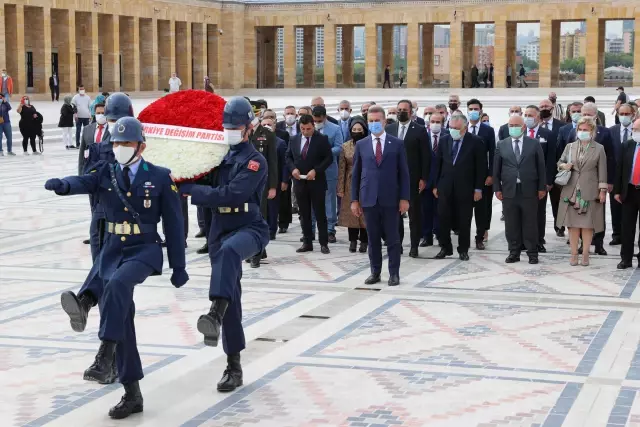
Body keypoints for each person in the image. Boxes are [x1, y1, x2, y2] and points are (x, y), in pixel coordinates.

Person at [45, 116, 188, 419]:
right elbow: (82, 181)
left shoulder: (160, 177)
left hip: (145, 249)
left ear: (141, 145)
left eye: (127, 142)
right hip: (113, 247)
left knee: (118, 285)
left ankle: (104, 352)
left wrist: (178, 266)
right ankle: (132, 394)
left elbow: (175, 226)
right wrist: (63, 185)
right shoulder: (105, 172)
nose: (120, 147)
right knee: (121, 311)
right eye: (117, 142)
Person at [179, 98, 268, 394]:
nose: (230, 131)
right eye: (226, 126)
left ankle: (214, 312)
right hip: (219, 229)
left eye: (236, 127)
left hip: (249, 227)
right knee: (233, 297)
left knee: (231, 252)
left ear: (249, 129)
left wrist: (191, 191)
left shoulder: (255, 160)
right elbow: (193, 173)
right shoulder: (217, 157)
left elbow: (231, 194)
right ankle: (234, 365)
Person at [351, 105, 409, 286]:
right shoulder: (361, 145)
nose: (374, 124)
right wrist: (354, 200)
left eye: (377, 121)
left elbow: (404, 173)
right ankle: (375, 272)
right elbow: (357, 173)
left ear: (384, 121)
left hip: (391, 199)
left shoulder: (397, 143)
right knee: (373, 238)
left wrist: (404, 198)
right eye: (371, 121)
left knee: (393, 238)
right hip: (369, 199)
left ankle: (394, 274)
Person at [83, 93, 134, 260]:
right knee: (99, 262)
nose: (116, 124)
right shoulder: (97, 149)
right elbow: (89, 181)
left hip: (128, 214)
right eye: (112, 120)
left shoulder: (140, 146)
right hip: (102, 212)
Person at [494, 114, 546, 264]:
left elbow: (540, 167)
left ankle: (532, 253)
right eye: (511, 126)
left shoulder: (534, 143)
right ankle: (514, 252)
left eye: (516, 126)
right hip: (509, 190)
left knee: (530, 223)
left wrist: (541, 187)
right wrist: (497, 188)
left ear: (523, 127)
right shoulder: (502, 144)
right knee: (511, 223)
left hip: (529, 190)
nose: (513, 128)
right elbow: (496, 168)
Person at [556, 117, 608, 267]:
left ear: (592, 131)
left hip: (589, 191)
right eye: (580, 129)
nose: (582, 132)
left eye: (585, 130)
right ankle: (573, 254)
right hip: (570, 191)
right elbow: (559, 162)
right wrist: (564, 165)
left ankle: (585, 253)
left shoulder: (599, 148)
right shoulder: (570, 146)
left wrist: (602, 190)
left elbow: (602, 171)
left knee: (587, 225)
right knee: (572, 225)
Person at [433, 114, 485, 261]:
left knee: (464, 220)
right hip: (445, 186)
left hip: (466, 188)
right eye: (451, 128)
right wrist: (436, 185)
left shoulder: (475, 142)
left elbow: (480, 167)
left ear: (465, 128)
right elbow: (438, 164)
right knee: (443, 218)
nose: (453, 130)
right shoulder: (444, 140)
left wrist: (478, 189)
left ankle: (463, 249)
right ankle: (445, 247)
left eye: (456, 128)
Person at [385, 99, 429, 257]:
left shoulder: (420, 130)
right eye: (399, 109)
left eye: (404, 109)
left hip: (412, 179)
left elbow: (425, 156)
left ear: (411, 112)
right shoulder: (389, 128)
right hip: (392, 179)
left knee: (414, 215)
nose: (401, 112)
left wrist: (424, 177)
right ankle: (398, 244)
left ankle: (414, 246)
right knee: (395, 214)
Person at [287, 114, 332, 253]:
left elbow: (328, 158)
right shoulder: (294, 139)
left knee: (319, 213)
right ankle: (307, 241)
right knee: (304, 213)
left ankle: (324, 243)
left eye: (308, 129)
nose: (305, 132)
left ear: (313, 126)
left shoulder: (322, 139)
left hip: (316, 181)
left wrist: (316, 170)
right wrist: (293, 169)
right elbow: (288, 156)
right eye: (302, 129)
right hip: (300, 182)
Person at [522, 105, 556, 252]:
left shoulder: (547, 134)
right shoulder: (519, 132)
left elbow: (551, 159)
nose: (528, 118)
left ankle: (538, 240)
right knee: (523, 211)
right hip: (521, 180)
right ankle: (523, 240)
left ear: (538, 117)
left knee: (538, 212)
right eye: (526, 115)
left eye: (531, 115)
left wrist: (548, 181)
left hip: (539, 181)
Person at [248, 116, 278, 267]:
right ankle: (255, 248)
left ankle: (256, 254)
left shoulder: (267, 135)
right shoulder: (241, 133)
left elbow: (273, 161)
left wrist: (273, 186)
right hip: (245, 182)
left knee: (259, 217)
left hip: (262, 183)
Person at [311, 105, 343, 243]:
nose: (317, 123)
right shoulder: (309, 128)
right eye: (315, 120)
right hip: (311, 170)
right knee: (311, 199)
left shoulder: (335, 129)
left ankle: (330, 229)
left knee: (329, 200)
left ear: (324, 117)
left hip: (329, 169)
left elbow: (339, 147)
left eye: (319, 120)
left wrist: (325, 153)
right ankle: (310, 229)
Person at [466, 99, 496, 249]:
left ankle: (479, 237)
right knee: (465, 209)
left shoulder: (487, 130)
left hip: (482, 176)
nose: (473, 111)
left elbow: (493, 154)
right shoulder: (462, 127)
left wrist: (491, 175)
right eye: (470, 108)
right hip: (465, 176)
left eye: (476, 108)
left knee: (482, 209)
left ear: (480, 110)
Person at [338, 117, 369, 253]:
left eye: (359, 129)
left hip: (366, 181)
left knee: (365, 213)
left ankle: (364, 241)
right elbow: (342, 168)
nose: (357, 132)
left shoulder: (369, 144)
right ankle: (352, 241)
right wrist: (340, 188)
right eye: (354, 130)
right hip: (349, 182)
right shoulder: (345, 146)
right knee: (352, 214)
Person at [614, 118, 640, 269]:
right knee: (627, 227)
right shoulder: (627, 145)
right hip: (629, 191)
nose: (635, 133)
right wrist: (617, 190)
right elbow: (620, 169)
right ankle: (626, 258)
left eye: (638, 130)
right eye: (634, 130)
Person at [421, 113, 448, 247]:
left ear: (443, 124)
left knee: (441, 211)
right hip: (426, 180)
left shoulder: (448, 136)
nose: (435, 124)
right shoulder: (423, 136)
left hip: (442, 181)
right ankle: (427, 236)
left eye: (438, 122)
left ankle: (440, 234)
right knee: (426, 210)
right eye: (432, 121)